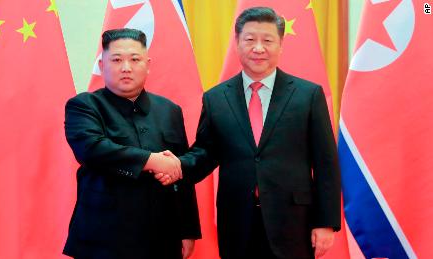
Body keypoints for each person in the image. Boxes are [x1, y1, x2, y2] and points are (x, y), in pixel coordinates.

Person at [177, 7, 341, 259]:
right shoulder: (216, 98)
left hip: (294, 222)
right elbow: (205, 153)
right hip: (237, 221)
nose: (258, 48)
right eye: (250, 39)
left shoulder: (308, 95)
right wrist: (175, 166)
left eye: (267, 40)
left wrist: (326, 222)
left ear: (281, 44)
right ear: (237, 42)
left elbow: (326, 163)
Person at [62, 28, 201, 259]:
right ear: (102, 63)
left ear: (147, 64)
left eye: (134, 59)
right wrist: (152, 161)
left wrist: (187, 230)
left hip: (161, 236)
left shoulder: (170, 110)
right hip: (103, 237)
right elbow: (92, 149)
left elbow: (180, 175)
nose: (126, 67)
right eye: (116, 60)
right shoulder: (84, 105)